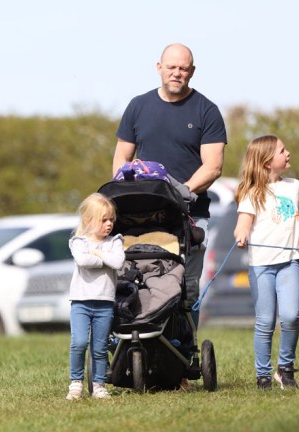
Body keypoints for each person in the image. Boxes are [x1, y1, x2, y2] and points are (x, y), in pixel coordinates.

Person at [113, 43, 227, 329]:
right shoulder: (138, 106)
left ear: (192, 71)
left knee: (187, 290)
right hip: (143, 216)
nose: (177, 73)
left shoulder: (206, 110)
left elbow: (213, 166)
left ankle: (184, 355)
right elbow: (121, 158)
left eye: (183, 68)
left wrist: (179, 193)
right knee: (138, 280)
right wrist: (121, 195)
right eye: (172, 67)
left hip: (190, 214)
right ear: (159, 67)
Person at [233, 135, 299, 390]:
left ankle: (286, 369)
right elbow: (242, 225)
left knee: (290, 316)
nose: (288, 153)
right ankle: (263, 374)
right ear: (267, 161)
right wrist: (242, 235)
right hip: (261, 266)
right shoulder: (252, 192)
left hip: (289, 262)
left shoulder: (295, 186)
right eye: (282, 150)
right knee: (265, 320)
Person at [66, 193, 125, 400]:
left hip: (105, 303)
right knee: (79, 342)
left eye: (111, 220)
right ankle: (76, 383)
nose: (109, 224)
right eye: (104, 220)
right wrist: (103, 258)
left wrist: (98, 254)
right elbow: (83, 261)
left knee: (99, 347)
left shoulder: (115, 241)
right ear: (88, 221)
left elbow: (118, 263)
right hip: (81, 302)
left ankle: (99, 385)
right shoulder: (78, 242)